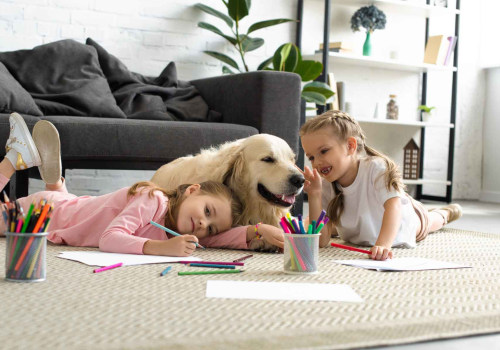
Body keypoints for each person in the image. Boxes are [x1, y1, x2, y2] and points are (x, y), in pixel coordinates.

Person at [0, 113, 243, 257]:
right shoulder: (154, 199)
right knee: (68, 212)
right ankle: (14, 158)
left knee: (74, 210)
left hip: (66, 207)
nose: (203, 224)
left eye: (210, 227)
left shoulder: (178, 229)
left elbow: (215, 240)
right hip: (44, 214)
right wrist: (162, 248)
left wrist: (256, 233)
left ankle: (55, 185)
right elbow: (109, 238)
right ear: (191, 190)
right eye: (207, 211)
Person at [300, 110, 463, 260]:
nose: (317, 162)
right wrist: (314, 195)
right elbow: (321, 242)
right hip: (363, 226)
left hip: (404, 220)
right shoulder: (326, 184)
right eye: (311, 157)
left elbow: (394, 208)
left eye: (324, 151)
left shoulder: (376, 167)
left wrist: (383, 245)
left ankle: (444, 214)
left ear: (350, 146)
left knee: (429, 222)